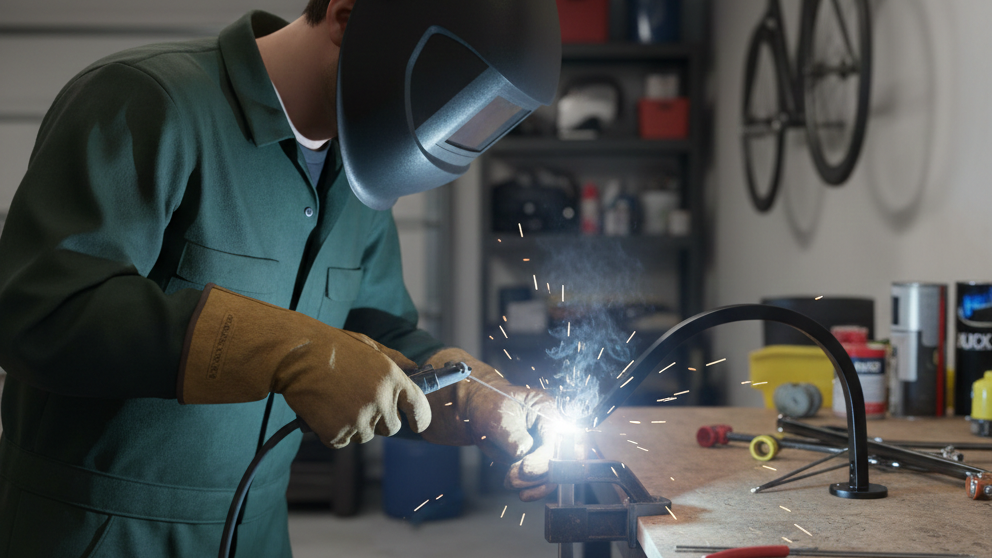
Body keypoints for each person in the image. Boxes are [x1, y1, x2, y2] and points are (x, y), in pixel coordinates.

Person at [0, 1, 560, 555]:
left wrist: (472, 395)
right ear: (346, 18)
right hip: (103, 531)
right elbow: (40, 312)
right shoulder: (148, 100)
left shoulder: (358, 165)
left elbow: (373, 329)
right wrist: (288, 349)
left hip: (258, 529)